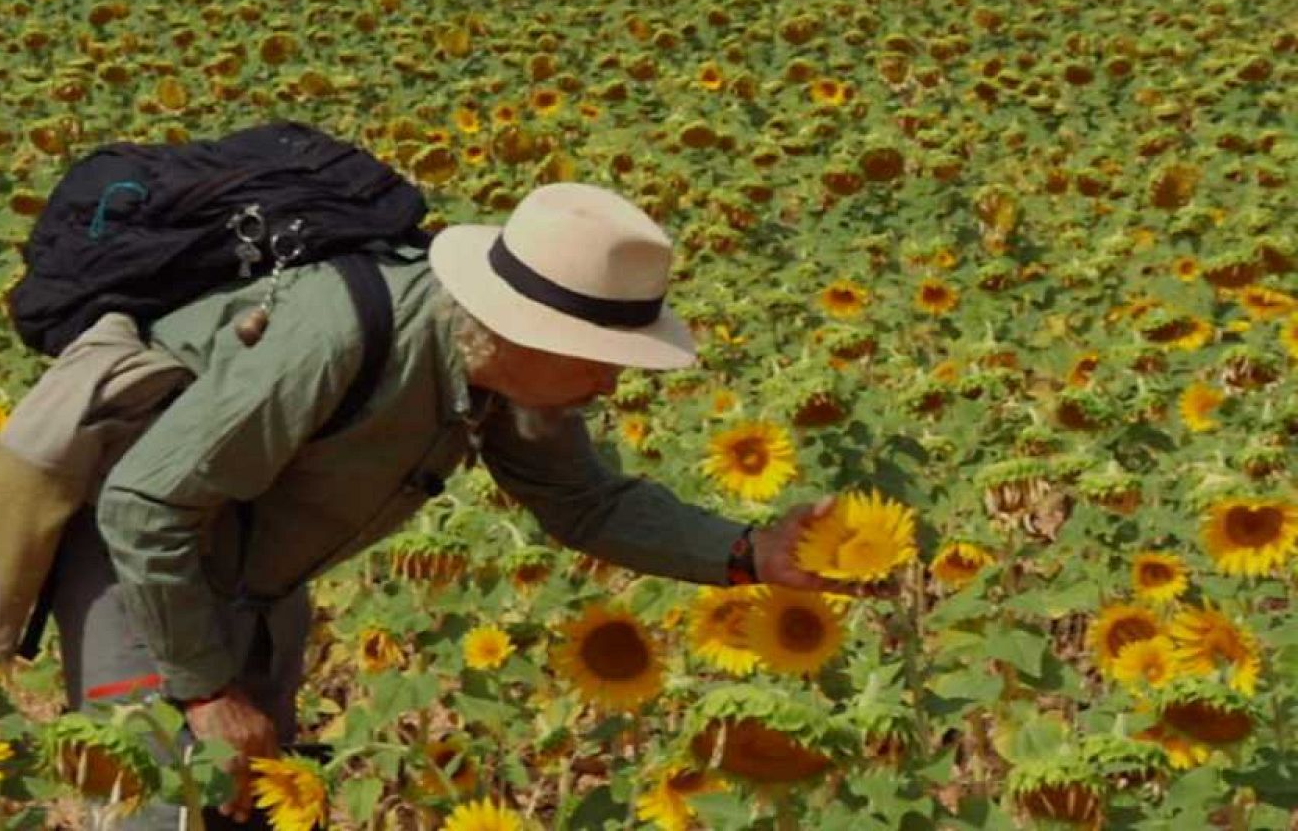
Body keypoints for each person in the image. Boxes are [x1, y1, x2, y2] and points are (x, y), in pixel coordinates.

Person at [53, 182, 882, 828]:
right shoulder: (332, 338)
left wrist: (747, 554)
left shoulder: (506, 373)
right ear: (522, 325)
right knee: (155, 810)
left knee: (252, 802)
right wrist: (204, 692)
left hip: (260, 581)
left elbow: (582, 503)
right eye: (598, 356)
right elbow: (143, 506)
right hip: (141, 570)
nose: (612, 380)